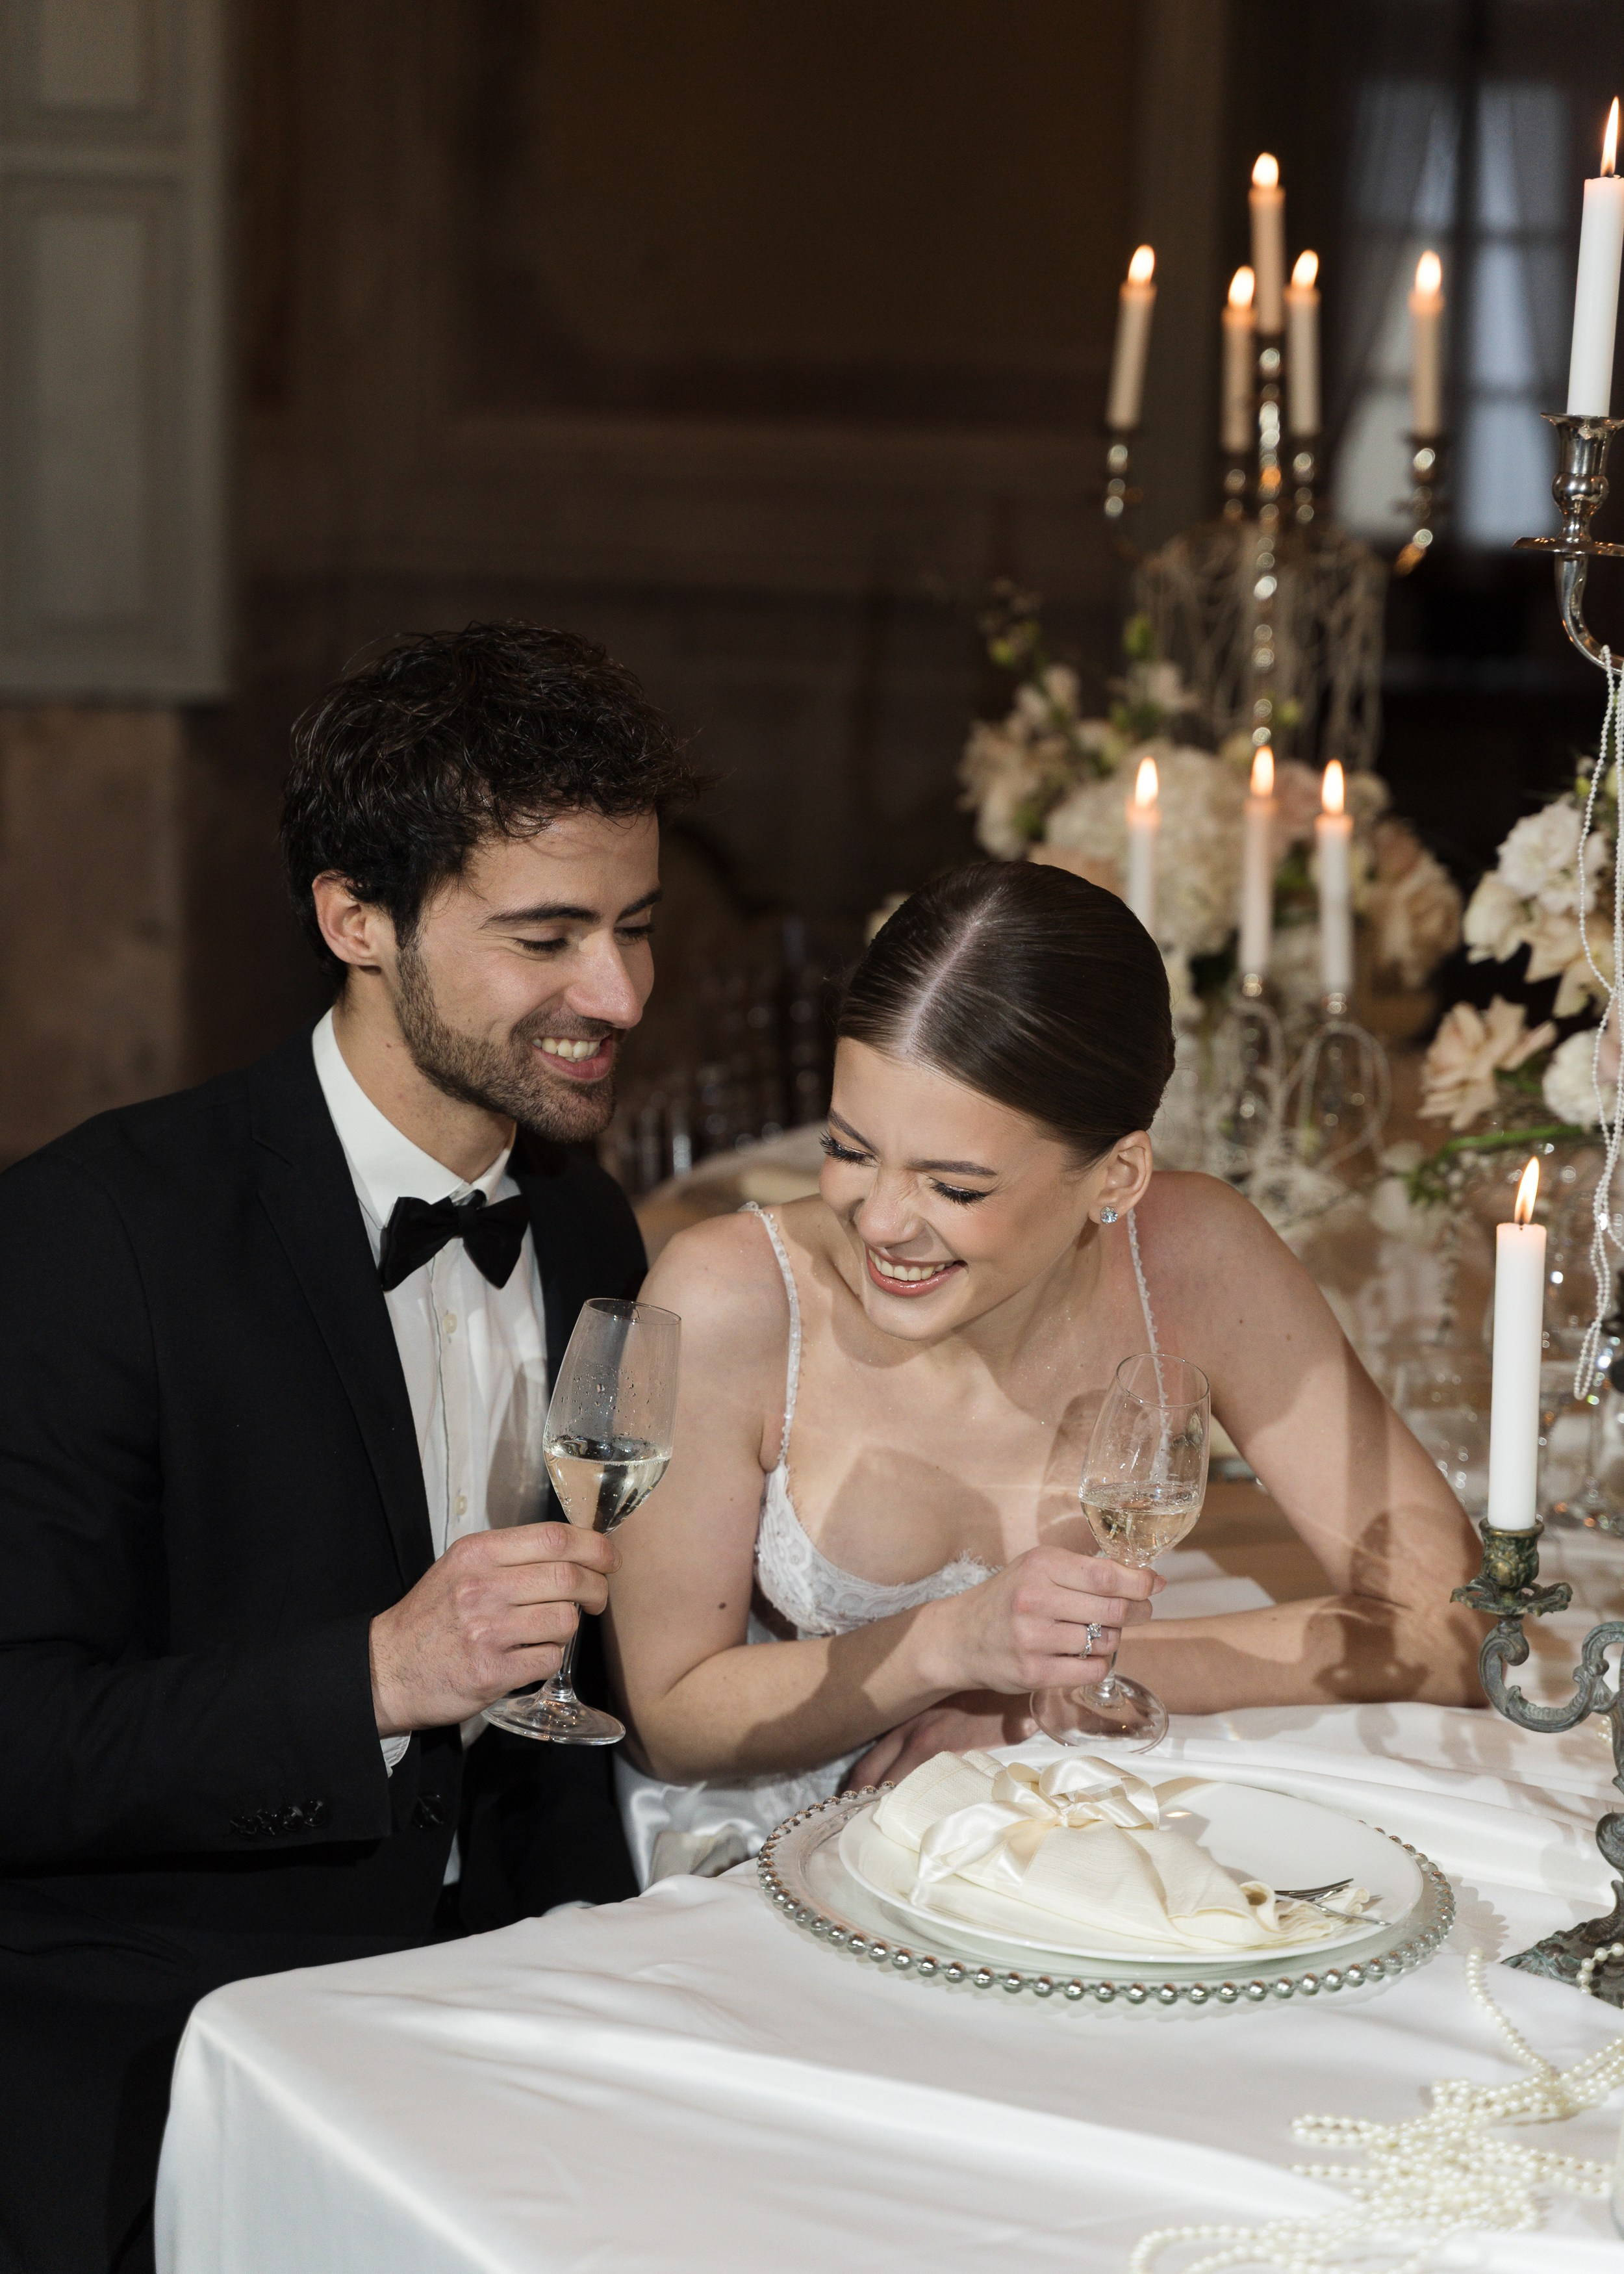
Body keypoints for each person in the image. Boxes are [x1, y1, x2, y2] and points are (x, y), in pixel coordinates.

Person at [0, 622, 696, 2273]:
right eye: (548, 936)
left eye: (636, 928)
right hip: (167, 2036)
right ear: (354, 918)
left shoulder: (588, 1223)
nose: (616, 996)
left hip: (508, 2008)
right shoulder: (93, 1235)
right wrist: (375, 1676)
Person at [607, 860, 1484, 1885]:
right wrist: (946, 1647)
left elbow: (1456, 1624)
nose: (881, 1221)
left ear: (1117, 1174)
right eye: (850, 1151)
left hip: (1088, 1833)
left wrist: (1048, 1682)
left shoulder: (1196, 1257)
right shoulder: (728, 1296)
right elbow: (669, 1720)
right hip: (783, 1854)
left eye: (953, 1184)